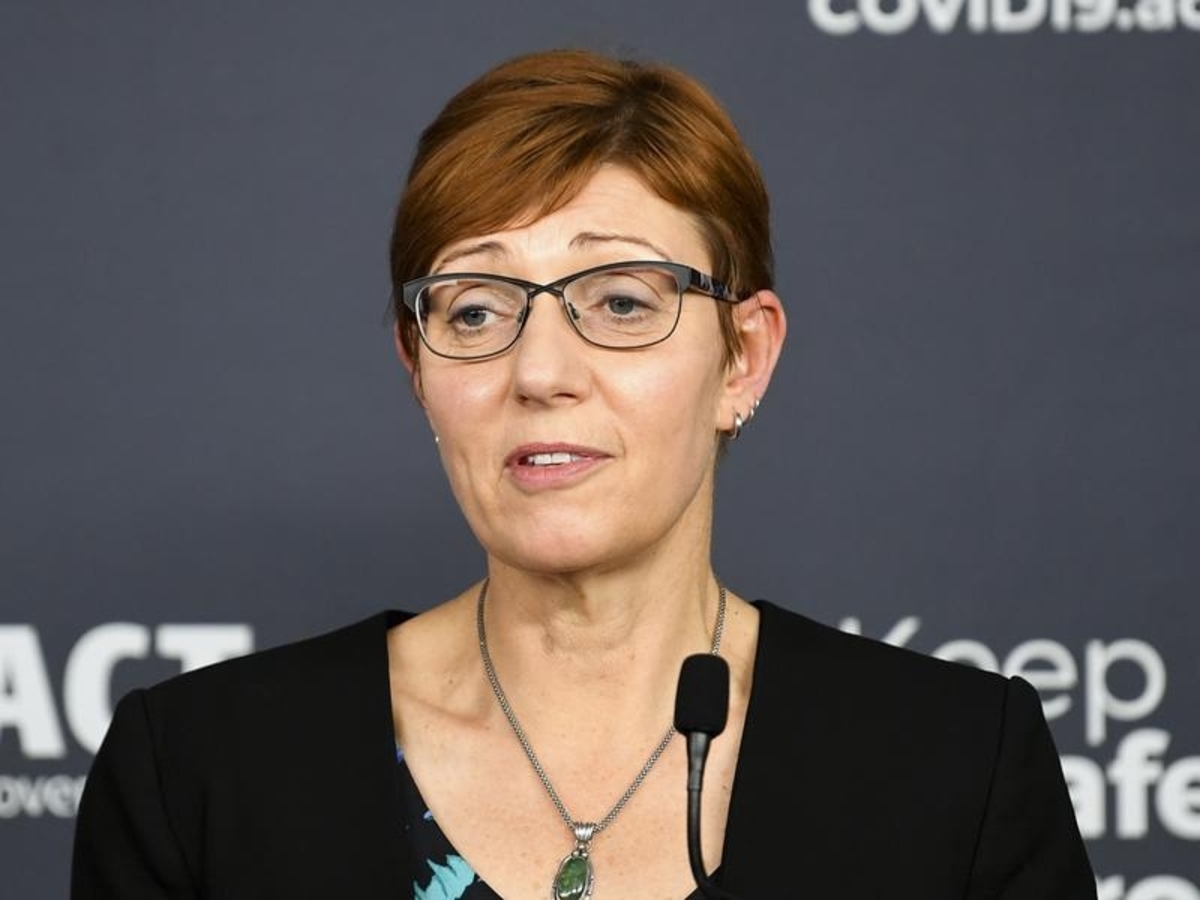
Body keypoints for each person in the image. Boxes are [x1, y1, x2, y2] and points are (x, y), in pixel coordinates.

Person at [71, 48, 1098, 899]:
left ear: (743, 358)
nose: (541, 373)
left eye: (621, 302)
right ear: (417, 368)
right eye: (476, 309)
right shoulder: (198, 772)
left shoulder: (957, 767)